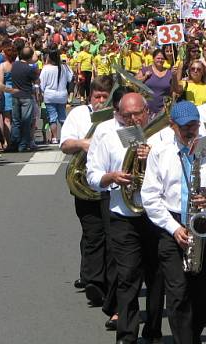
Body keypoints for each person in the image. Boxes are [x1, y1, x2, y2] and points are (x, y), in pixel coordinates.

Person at [141, 100, 206, 344]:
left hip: (205, 221)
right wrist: (173, 228)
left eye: (194, 125)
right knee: (178, 292)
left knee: (202, 292)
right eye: (184, 127)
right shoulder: (160, 152)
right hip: (172, 224)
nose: (190, 131)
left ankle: (193, 335)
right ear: (172, 126)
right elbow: (150, 197)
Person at [86, 91, 165, 344]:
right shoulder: (105, 131)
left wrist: (152, 156)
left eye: (137, 114)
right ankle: (127, 335)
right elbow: (92, 175)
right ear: (117, 113)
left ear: (147, 112)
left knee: (157, 276)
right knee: (128, 276)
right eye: (126, 115)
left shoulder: (162, 132)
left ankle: (153, 331)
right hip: (123, 213)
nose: (132, 120)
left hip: (156, 214)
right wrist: (112, 177)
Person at [60, 76, 117, 327]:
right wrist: (83, 143)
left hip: (111, 186)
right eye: (97, 97)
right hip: (84, 184)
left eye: (106, 97)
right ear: (90, 96)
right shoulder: (78, 115)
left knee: (110, 235)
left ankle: (102, 280)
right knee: (93, 233)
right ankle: (94, 281)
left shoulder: (118, 117)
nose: (101, 101)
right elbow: (64, 144)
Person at [40, 48, 74, 145]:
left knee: (52, 117)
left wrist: (41, 93)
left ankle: (54, 138)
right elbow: (70, 78)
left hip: (50, 95)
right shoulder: (64, 67)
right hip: (62, 94)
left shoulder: (46, 68)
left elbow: (42, 84)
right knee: (62, 116)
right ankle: (65, 136)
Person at [9, 46, 39, 152]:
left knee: (16, 121)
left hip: (15, 95)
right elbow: (37, 81)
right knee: (26, 121)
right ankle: (23, 144)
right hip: (26, 96)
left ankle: (14, 143)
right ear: (30, 57)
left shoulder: (14, 65)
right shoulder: (30, 68)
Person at [136, 48, 174, 118]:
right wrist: (145, 77)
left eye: (162, 58)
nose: (160, 60)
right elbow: (135, 83)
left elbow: (172, 92)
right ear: (153, 58)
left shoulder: (169, 72)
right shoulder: (145, 69)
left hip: (163, 111)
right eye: (158, 58)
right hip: (146, 111)